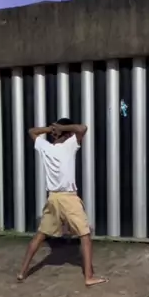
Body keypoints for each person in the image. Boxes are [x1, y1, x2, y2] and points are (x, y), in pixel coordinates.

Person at [17, 118, 108, 286]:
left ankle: (22, 272)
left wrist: (50, 129)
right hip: (68, 197)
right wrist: (62, 128)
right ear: (69, 134)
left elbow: (31, 131)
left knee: (40, 235)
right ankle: (89, 277)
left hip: (53, 198)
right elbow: (82, 128)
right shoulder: (69, 145)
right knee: (85, 235)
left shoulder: (46, 147)